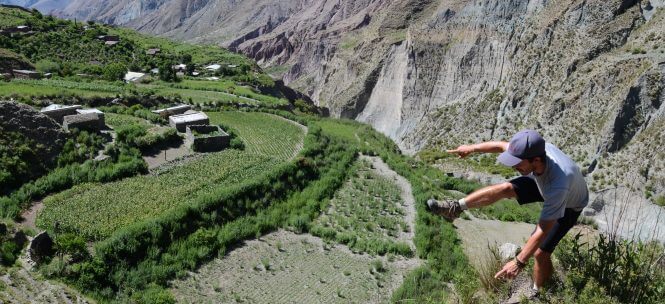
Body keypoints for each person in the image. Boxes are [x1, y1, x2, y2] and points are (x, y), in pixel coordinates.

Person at [427, 130, 588, 298]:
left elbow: (543, 229)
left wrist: (519, 262)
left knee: (540, 252)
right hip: (542, 180)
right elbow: (499, 145)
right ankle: (455, 208)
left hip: (570, 203)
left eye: (517, 163)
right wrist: (471, 148)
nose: (513, 166)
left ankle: (537, 293)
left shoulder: (558, 185)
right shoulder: (532, 152)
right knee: (505, 189)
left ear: (536, 160)